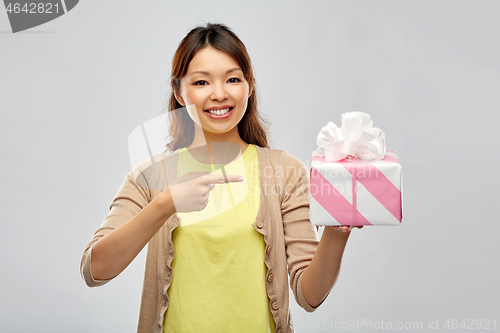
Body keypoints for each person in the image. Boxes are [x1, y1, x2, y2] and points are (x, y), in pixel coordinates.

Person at [80, 22, 362, 333]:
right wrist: (166, 203)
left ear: (249, 86)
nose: (219, 94)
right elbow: (95, 270)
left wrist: (337, 233)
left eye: (232, 79)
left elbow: (309, 296)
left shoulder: (284, 172)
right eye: (201, 82)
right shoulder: (152, 176)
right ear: (178, 91)